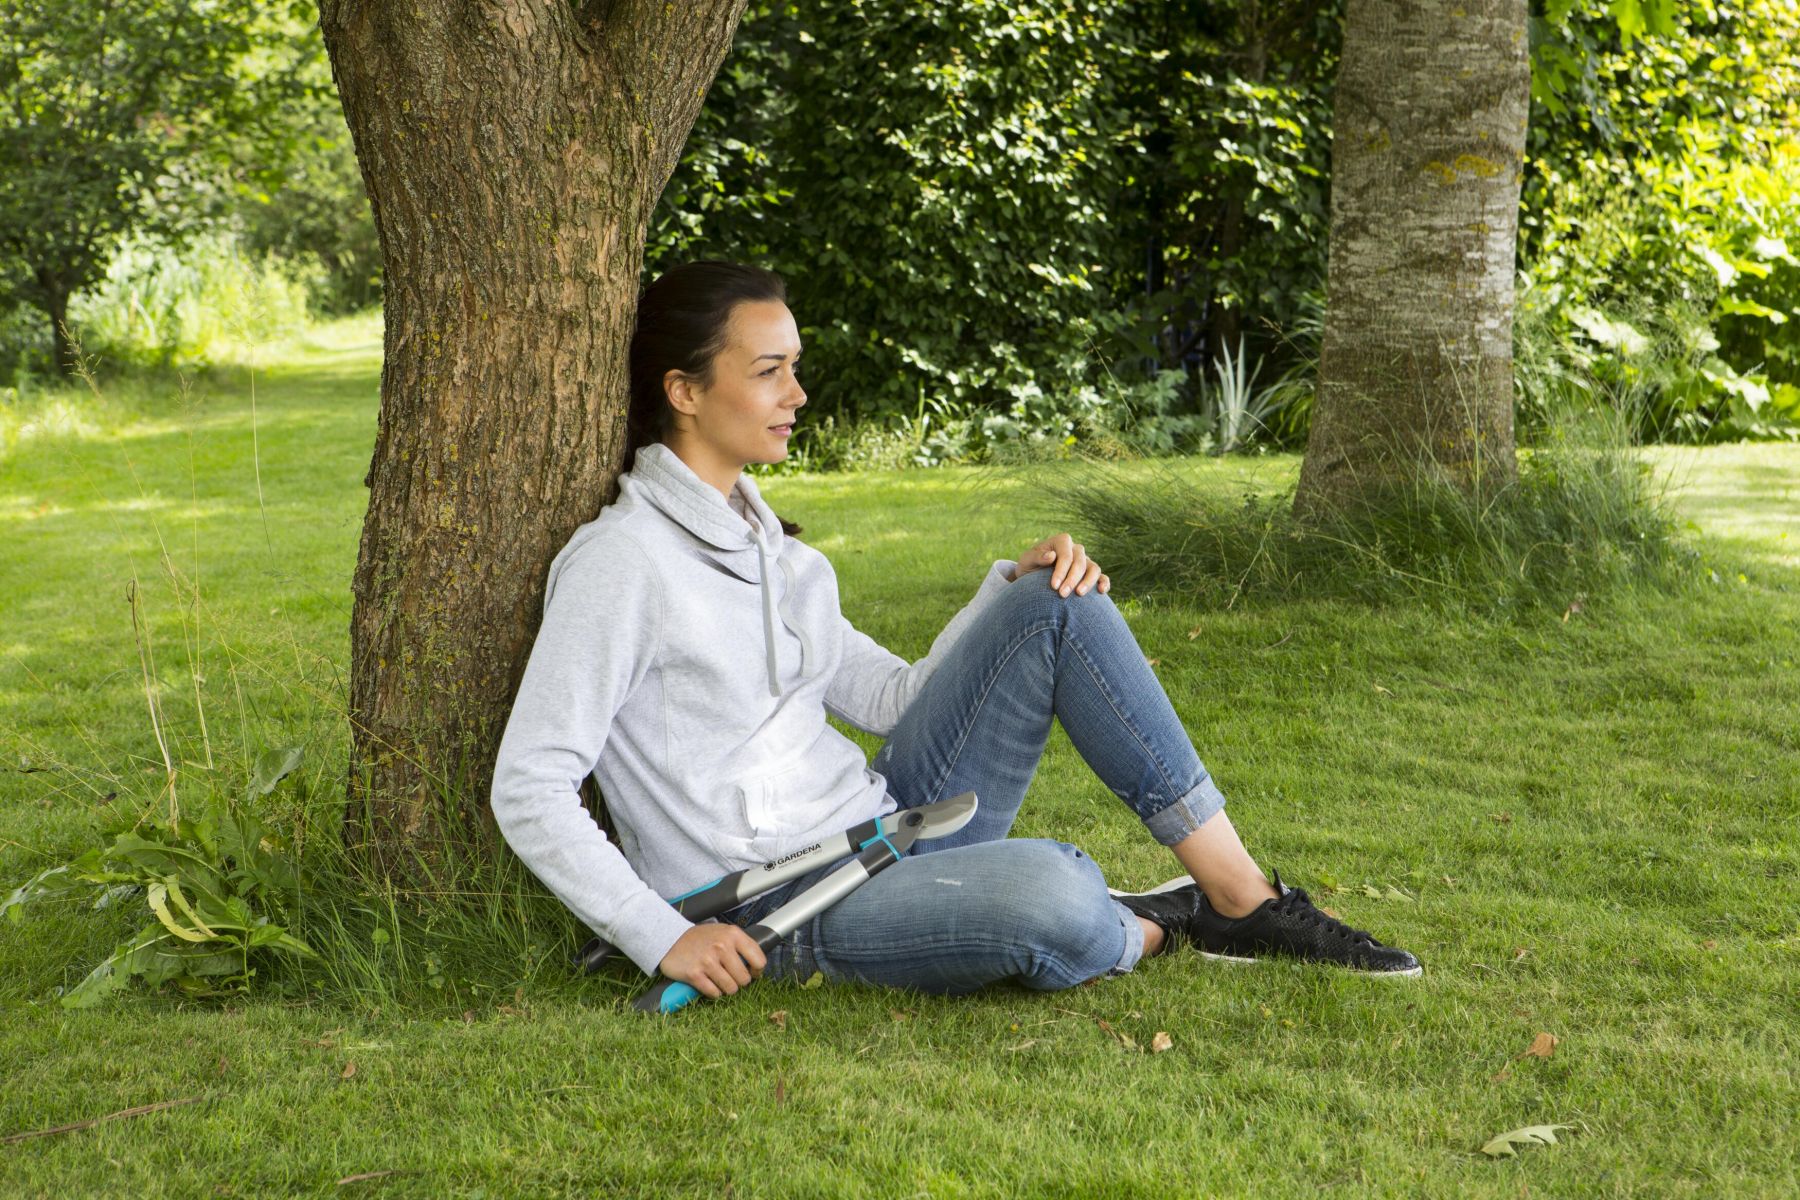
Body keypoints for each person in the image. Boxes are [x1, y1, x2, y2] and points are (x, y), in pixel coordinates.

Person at [489, 261, 1421, 1004]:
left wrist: (1007, 592)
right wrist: (663, 936)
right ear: (684, 391)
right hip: (782, 909)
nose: (797, 393)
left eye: (795, 367)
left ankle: (1241, 903)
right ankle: (1140, 921)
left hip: (891, 829)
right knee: (1055, 893)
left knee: (1059, 597)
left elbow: (891, 699)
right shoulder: (623, 565)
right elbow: (531, 783)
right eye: (768, 371)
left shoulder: (780, 555)